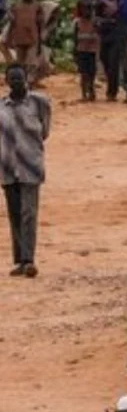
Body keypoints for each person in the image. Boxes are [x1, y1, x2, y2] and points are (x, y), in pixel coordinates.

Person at [0, 65, 49, 278]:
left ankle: (29, 260)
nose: (17, 83)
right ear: (7, 82)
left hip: (31, 166)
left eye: (20, 79)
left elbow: (45, 131)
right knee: (15, 215)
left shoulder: (40, 103)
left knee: (29, 213)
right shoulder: (2, 107)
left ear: (26, 79)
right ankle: (20, 260)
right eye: (13, 79)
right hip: (8, 167)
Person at [5, 0, 41, 73]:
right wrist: (9, 39)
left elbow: (40, 24)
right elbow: (12, 24)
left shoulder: (37, 6)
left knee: (31, 64)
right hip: (19, 39)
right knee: (20, 65)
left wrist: (40, 42)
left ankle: (29, 83)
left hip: (32, 40)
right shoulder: (16, 6)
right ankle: (23, 83)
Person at [74, 0, 101, 101]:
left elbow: (99, 33)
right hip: (81, 50)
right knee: (83, 74)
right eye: (84, 9)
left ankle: (91, 90)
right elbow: (75, 37)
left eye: (88, 9)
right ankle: (84, 93)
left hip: (92, 51)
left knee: (91, 73)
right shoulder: (77, 23)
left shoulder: (95, 22)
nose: (86, 12)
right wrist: (74, 51)